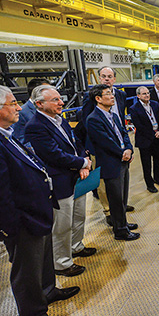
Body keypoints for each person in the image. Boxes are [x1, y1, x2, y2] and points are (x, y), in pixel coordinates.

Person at [0, 86, 79, 316]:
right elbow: (2, 194)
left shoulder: (9, 135)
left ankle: (49, 290)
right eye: (13, 103)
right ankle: (34, 310)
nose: (19, 107)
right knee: (27, 273)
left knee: (43, 262)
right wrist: (13, 227)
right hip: (23, 222)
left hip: (37, 213)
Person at [25, 85, 96, 277]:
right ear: (39, 104)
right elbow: (53, 155)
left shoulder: (60, 120)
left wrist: (83, 163)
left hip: (77, 176)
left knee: (79, 216)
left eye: (60, 98)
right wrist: (82, 162)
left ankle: (76, 246)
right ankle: (61, 263)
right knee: (62, 224)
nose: (61, 102)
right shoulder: (35, 126)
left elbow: (76, 143)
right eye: (55, 100)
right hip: (60, 181)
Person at [82, 66, 134, 226]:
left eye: (109, 76)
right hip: (102, 147)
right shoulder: (91, 98)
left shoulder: (121, 95)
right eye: (103, 76)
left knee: (121, 180)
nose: (106, 79)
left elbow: (122, 123)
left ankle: (120, 210)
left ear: (114, 79)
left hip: (120, 143)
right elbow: (87, 123)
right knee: (106, 182)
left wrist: (128, 149)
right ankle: (109, 211)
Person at [87, 84, 140, 241]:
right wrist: (122, 153)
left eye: (112, 94)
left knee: (122, 196)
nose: (112, 96)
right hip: (111, 162)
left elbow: (124, 134)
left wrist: (129, 149)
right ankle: (120, 231)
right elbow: (106, 142)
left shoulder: (114, 116)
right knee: (115, 199)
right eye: (108, 94)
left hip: (123, 160)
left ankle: (122, 222)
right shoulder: (93, 119)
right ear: (98, 98)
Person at [130, 86, 159, 193]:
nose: (147, 95)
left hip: (157, 137)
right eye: (144, 94)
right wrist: (153, 134)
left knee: (158, 160)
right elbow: (139, 126)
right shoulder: (134, 108)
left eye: (147, 93)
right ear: (138, 96)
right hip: (145, 140)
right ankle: (150, 185)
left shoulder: (154, 104)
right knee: (147, 164)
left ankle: (157, 178)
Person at [12, 78, 50, 143]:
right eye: (47, 91)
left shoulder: (48, 108)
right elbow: (19, 140)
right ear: (35, 93)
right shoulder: (22, 112)